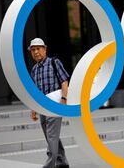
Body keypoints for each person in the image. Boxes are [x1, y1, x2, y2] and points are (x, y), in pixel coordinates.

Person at [29, 38, 70, 168]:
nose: (35, 52)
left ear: (45, 49)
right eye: (33, 50)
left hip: (55, 104)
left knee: (51, 136)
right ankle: (62, 162)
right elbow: (34, 91)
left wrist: (64, 99)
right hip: (42, 107)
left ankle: (49, 165)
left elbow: (64, 81)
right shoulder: (34, 69)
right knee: (51, 136)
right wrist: (33, 109)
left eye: (38, 49)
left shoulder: (54, 62)